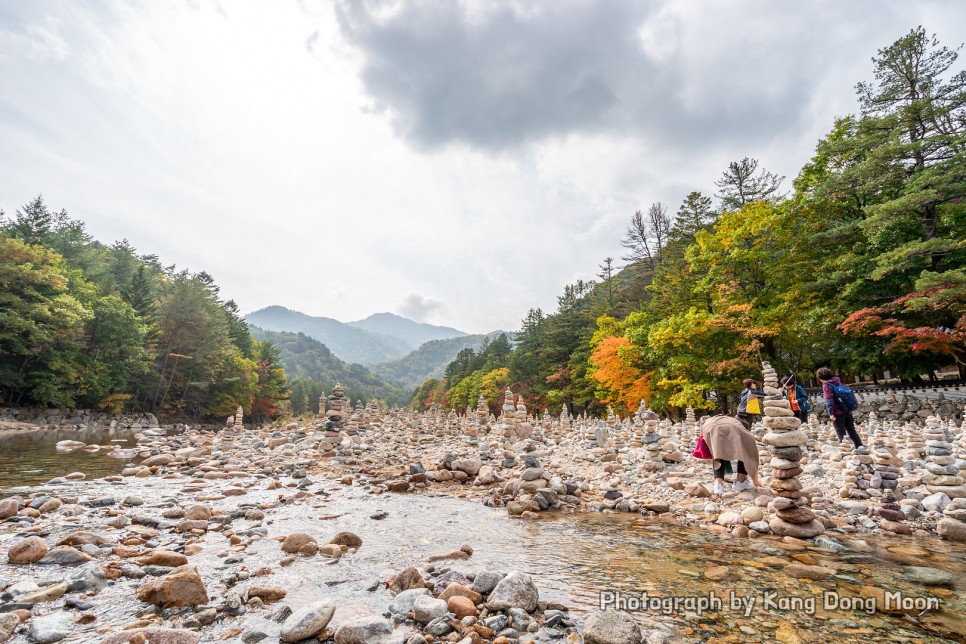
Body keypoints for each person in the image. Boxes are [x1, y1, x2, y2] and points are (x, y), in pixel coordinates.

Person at [701, 415, 761, 495]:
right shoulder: (739, 427)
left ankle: (719, 486)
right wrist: (755, 479)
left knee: (718, 453)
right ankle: (741, 481)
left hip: (710, 429)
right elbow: (751, 455)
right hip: (723, 428)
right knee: (744, 452)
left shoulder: (716, 420)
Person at [816, 367, 864, 449]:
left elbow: (829, 400)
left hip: (838, 412)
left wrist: (831, 413)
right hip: (847, 409)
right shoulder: (837, 381)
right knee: (851, 430)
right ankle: (860, 446)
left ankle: (845, 449)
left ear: (820, 377)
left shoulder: (826, 385)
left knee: (841, 432)